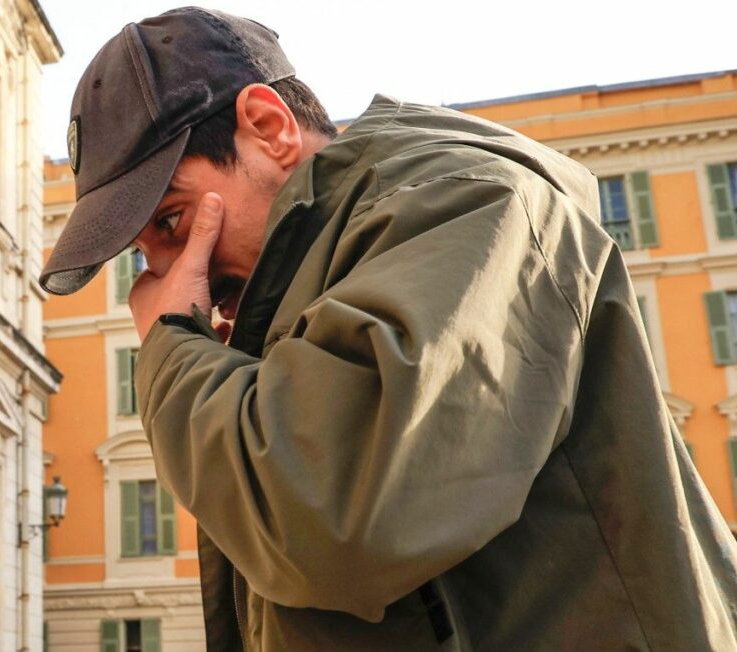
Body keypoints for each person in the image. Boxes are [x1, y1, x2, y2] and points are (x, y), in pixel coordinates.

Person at [40, 7, 737, 650]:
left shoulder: (467, 203)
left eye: (170, 221)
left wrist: (171, 350)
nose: (162, 274)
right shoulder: (317, 277)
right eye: (144, 249)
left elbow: (331, 520)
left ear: (270, 128)